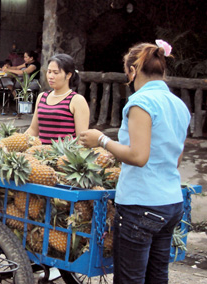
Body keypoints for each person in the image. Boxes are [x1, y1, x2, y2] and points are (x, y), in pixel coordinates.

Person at [79, 40, 190, 283]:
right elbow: (176, 158)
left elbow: (139, 156)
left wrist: (102, 140)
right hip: (170, 203)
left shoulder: (141, 103)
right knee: (157, 277)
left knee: (130, 279)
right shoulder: (179, 105)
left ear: (133, 71)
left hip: (142, 205)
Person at [25, 54, 89, 144]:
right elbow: (33, 130)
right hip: (41, 154)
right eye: (49, 72)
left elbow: (81, 139)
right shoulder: (42, 97)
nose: (50, 76)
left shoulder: (77, 100)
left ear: (68, 75)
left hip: (64, 156)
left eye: (56, 73)